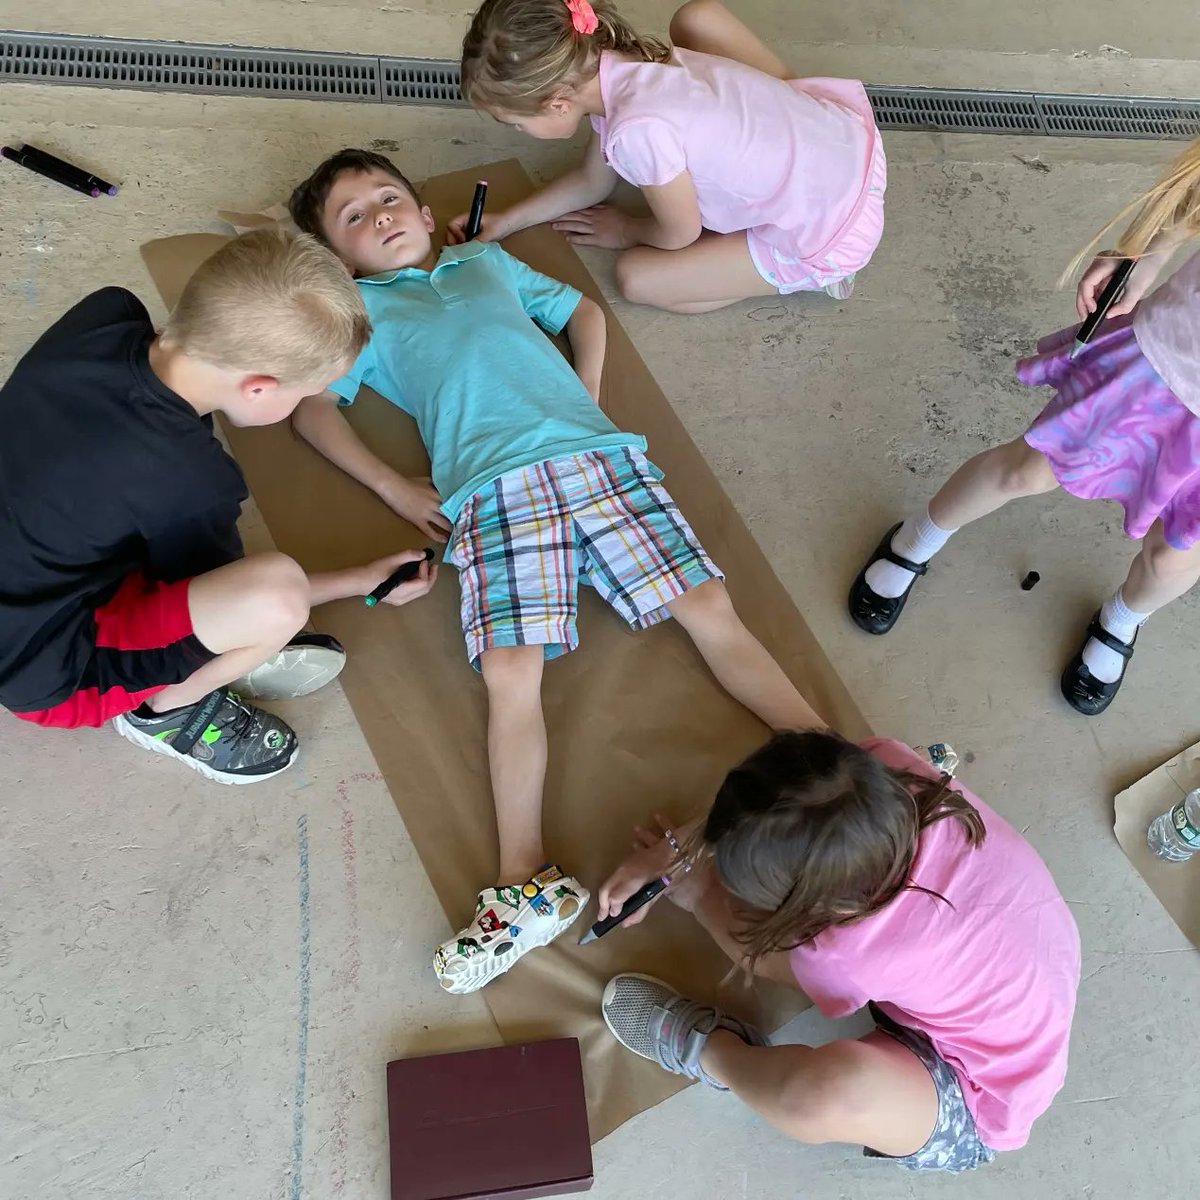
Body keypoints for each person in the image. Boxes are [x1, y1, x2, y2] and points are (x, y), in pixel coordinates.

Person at [287, 147, 817, 991]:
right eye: (354, 217)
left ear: (426, 213)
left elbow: (584, 314)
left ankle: (839, 755)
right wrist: (391, 486)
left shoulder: (483, 261)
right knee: (509, 672)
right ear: (339, 259)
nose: (381, 215)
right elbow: (313, 410)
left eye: (390, 196)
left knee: (708, 605)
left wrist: (589, 396)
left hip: (597, 457)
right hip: (489, 491)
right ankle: (522, 883)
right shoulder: (361, 317)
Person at [0, 228, 437, 784]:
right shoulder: (191, 481)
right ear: (257, 388)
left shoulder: (107, 313)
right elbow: (246, 592)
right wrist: (359, 580)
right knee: (278, 600)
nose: (303, 402)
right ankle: (165, 711)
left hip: (30, 559)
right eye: (304, 392)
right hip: (46, 664)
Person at [596, 704, 1079, 1172]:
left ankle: (715, 1054)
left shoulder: (851, 954)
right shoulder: (886, 768)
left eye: (754, 893)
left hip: (979, 1097)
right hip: (1012, 998)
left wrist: (700, 895)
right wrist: (680, 846)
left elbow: (767, 964)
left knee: (817, 1097)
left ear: (827, 909)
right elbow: (791, 798)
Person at [849, 138, 1200, 716]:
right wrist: (1146, 257)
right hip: (1167, 364)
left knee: (1176, 554)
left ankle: (1121, 622)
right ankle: (914, 541)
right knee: (1027, 469)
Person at [450, 0, 885, 314]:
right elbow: (591, 180)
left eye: (515, 123)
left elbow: (680, 232)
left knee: (638, 277)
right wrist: (505, 221)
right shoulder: (617, 65)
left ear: (558, 103)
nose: (517, 130)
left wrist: (625, 228)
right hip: (847, 140)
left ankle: (804, 274)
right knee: (695, 17)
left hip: (834, 230)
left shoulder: (637, 133)